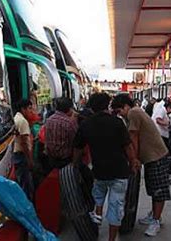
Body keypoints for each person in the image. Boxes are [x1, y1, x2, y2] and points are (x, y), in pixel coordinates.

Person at [73, 92, 140, 241]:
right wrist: (133, 161)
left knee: (98, 197)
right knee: (115, 207)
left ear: (91, 107)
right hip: (119, 172)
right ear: (107, 105)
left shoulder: (86, 124)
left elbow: (78, 148)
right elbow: (128, 146)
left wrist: (74, 164)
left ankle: (96, 223)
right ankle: (111, 239)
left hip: (99, 172)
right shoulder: (117, 122)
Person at [111, 94, 171, 237]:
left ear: (126, 106)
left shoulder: (133, 113)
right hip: (151, 157)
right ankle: (154, 215)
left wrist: (134, 160)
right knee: (152, 188)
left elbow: (133, 138)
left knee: (158, 190)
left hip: (156, 156)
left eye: (120, 111)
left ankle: (156, 221)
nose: (119, 114)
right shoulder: (134, 112)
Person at [44, 97, 78, 170]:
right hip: (66, 160)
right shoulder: (70, 122)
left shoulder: (48, 120)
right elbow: (76, 141)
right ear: (70, 108)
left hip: (51, 158)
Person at [12, 100, 35, 200]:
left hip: (16, 155)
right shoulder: (23, 121)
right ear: (23, 109)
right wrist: (30, 160)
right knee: (26, 184)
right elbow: (24, 142)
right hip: (22, 155)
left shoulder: (16, 118)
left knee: (21, 181)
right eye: (29, 108)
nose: (31, 111)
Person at [152, 101, 171, 175]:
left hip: (162, 134)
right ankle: (167, 169)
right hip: (160, 135)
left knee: (168, 152)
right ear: (169, 108)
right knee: (167, 152)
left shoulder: (163, 110)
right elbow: (158, 120)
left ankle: (168, 168)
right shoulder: (162, 110)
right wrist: (168, 124)